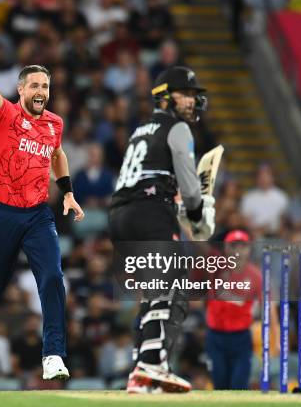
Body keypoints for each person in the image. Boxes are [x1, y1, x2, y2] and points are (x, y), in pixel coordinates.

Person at [0, 13, 84, 381]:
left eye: (46, 86)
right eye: (34, 85)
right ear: (21, 90)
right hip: (2, 213)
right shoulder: (3, 114)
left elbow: (57, 154)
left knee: (53, 278)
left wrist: (67, 192)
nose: (41, 91)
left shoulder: (54, 123)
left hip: (38, 214)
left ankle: (53, 353)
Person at [108, 66, 215, 393]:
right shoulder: (178, 128)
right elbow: (190, 187)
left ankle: (142, 370)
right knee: (172, 284)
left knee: (153, 291)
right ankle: (152, 364)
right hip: (150, 213)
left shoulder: (141, 129)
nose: (192, 101)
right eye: (187, 94)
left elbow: (149, 179)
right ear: (166, 96)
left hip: (120, 216)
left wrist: (182, 208)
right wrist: (198, 215)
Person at [205, 230, 278, 390]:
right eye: (233, 246)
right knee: (220, 385)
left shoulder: (256, 276)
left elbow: (269, 306)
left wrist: (277, 339)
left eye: (242, 246)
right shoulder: (215, 266)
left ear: (249, 249)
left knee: (239, 385)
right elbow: (200, 247)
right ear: (225, 248)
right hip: (216, 336)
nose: (238, 250)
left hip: (241, 338)